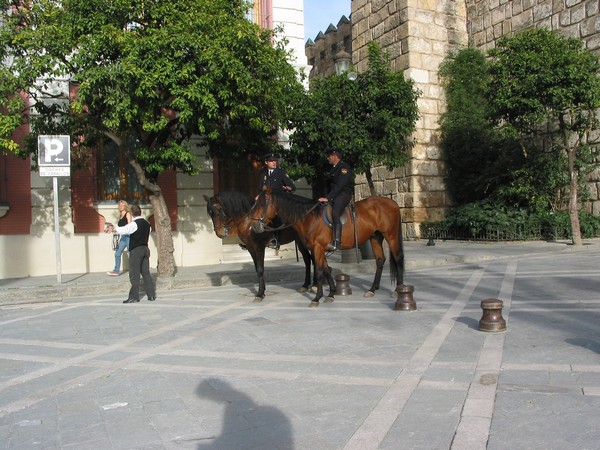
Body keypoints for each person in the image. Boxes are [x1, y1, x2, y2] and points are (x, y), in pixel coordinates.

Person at [105, 204, 156, 303]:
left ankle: (134, 297)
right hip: (145, 249)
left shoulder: (134, 224)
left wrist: (113, 229)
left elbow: (125, 229)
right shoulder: (147, 224)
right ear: (140, 212)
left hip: (136, 250)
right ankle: (151, 295)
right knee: (146, 273)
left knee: (134, 274)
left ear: (132, 213)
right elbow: (148, 232)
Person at [318, 147, 355, 252]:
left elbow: (340, 185)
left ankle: (336, 242)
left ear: (335, 156)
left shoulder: (344, 168)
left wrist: (328, 197)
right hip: (335, 195)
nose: (327, 158)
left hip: (344, 194)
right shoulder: (333, 168)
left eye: (329, 156)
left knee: (335, 213)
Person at [257, 153, 296, 250]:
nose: (274, 162)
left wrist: (289, 188)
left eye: (275, 161)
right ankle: (253, 238)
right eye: (271, 161)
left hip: (279, 202)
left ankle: (276, 239)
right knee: (254, 213)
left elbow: (292, 187)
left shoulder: (281, 172)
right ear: (266, 162)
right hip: (266, 202)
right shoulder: (264, 175)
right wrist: (258, 195)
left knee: (276, 217)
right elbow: (261, 188)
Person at [107, 200, 132, 276]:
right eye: (119, 205)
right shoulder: (120, 215)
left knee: (130, 253)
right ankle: (116, 270)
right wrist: (111, 228)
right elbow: (120, 228)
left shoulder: (128, 214)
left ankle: (134, 271)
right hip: (124, 236)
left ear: (125, 206)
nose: (120, 207)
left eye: (122, 205)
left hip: (129, 236)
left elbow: (129, 226)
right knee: (117, 253)